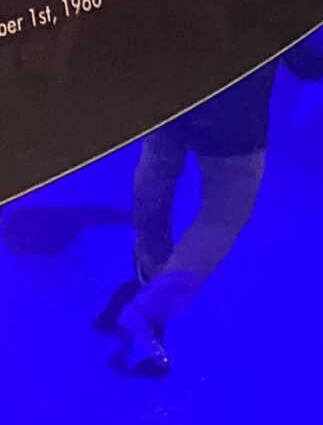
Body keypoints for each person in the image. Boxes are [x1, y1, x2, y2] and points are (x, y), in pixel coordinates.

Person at [101, 61, 279, 375]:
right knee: (225, 214)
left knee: (158, 162)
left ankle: (150, 263)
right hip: (235, 110)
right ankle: (149, 311)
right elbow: (308, 60)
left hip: (169, 79)